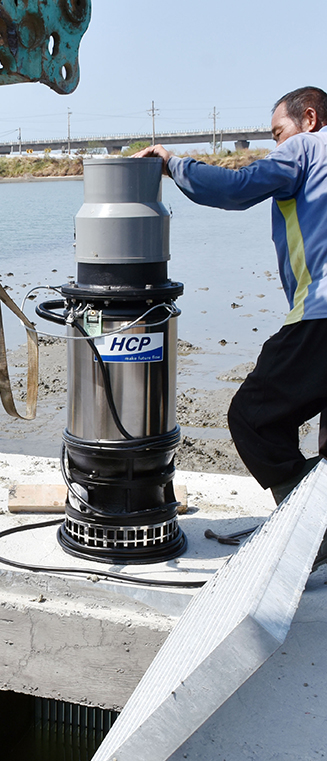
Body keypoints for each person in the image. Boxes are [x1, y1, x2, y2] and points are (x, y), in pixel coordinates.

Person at [135, 87, 327, 513]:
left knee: (253, 417)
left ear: (309, 119)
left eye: (279, 133)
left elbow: (236, 188)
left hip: (321, 313)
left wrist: (172, 163)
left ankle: (310, 523)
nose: (278, 144)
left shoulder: (309, 147)